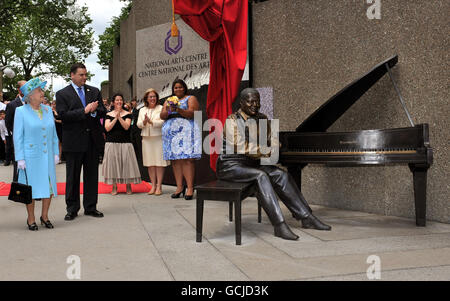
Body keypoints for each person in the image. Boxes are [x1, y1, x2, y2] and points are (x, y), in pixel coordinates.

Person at [216, 88, 331, 241]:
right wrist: (269, 151)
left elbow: (273, 137)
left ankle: (306, 217)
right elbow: (241, 147)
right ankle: (279, 225)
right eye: (251, 101)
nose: (255, 105)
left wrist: (275, 145)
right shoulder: (231, 121)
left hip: (252, 163)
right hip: (231, 165)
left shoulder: (262, 118)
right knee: (261, 176)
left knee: (281, 174)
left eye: (258, 101)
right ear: (241, 103)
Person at [56, 63, 106, 221]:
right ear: (72, 75)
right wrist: (84, 111)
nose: (84, 77)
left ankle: (91, 207)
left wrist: (93, 112)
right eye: (81, 75)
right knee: (72, 177)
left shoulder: (94, 91)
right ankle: (72, 208)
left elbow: (102, 111)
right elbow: (63, 115)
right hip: (73, 141)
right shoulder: (62, 94)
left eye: (86, 75)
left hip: (92, 141)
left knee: (92, 175)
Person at [13, 78, 59, 231]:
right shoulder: (20, 111)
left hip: (47, 156)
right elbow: (17, 136)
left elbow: (53, 133)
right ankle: (31, 218)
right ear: (30, 95)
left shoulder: (47, 110)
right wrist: (19, 158)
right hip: (30, 157)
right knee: (30, 189)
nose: (42, 93)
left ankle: (44, 216)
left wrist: (56, 152)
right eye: (39, 91)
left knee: (49, 186)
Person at [160, 79, 201, 200]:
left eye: (180, 87)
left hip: (186, 131)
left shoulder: (191, 98)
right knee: (176, 161)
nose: (178, 89)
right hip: (172, 133)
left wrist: (178, 109)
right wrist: (169, 110)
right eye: (175, 88)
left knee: (187, 160)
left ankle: (189, 188)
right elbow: (162, 116)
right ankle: (179, 187)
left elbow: (193, 113)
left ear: (184, 88)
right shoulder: (169, 100)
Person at [103, 93, 141, 195]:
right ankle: (114, 187)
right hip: (111, 142)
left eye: (121, 100)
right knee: (113, 165)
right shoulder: (108, 114)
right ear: (113, 102)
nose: (119, 102)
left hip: (125, 142)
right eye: (117, 100)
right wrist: (115, 117)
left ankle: (128, 186)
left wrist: (120, 117)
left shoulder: (128, 114)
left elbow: (126, 127)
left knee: (127, 164)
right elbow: (107, 128)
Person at [137, 89, 168, 195]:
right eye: (150, 97)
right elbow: (138, 124)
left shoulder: (161, 108)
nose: (152, 98)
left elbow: (163, 122)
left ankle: (159, 186)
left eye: (154, 96)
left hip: (158, 138)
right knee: (150, 163)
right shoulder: (142, 110)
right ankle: (153, 185)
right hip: (146, 139)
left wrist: (152, 122)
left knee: (159, 163)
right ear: (146, 98)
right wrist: (145, 122)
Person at [5, 81, 26, 172]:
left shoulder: (32, 103)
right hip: (19, 140)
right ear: (19, 89)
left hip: (32, 141)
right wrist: (17, 133)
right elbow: (8, 123)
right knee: (18, 167)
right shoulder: (12, 105)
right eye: (24, 87)